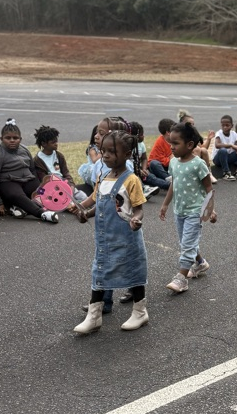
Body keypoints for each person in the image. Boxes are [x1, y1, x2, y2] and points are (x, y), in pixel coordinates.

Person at [70, 130, 149, 335]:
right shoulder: (103, 176)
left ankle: (140, 311)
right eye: (103, 150)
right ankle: (94, 316)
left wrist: (136, 219)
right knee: (99, 272)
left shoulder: (131, 180)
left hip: (127, 238)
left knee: (133, 273)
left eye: (112, 151)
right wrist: (85, 213)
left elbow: (139, 208)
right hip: (104, 240)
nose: (105, 155)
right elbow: (99, 203)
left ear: (127, 154)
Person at [159, 121, 216, 294]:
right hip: (180, 210)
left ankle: (181, 278)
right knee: (186, 242)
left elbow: (208, 188)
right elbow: (173, 185)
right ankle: (200, 263)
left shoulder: (198, 164)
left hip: (196, 211)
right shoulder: (174, 163)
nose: (172, 147)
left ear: (190, 144)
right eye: (171, 143)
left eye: (176, 143)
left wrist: (210, 209)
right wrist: (165, 204)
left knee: (187, 245)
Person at [0, 119, 59, 223]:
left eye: (15, 138)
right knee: (17, 196)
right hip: (9, 183)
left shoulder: (24, 149)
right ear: (1, 139)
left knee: (42, 192)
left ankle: (20, 208)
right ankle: (42, 213)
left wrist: (38, 185)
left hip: (27, 179)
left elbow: (32, 169)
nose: (12, 140)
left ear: (20, 139)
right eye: (8, 138)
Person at [213, 114, 237, 179]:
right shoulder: (219, 133)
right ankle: (226, 173)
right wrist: (232, 145)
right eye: (223, 125)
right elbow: (217, 145)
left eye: (227, 125)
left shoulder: (233, 134)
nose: (225, 127)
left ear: (232, 126)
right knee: (223, 150)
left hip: (228, 158)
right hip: (218, 159)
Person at [148, 118, 175, 188]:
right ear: (168, 133)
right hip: (160, 168)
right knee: (154, 163)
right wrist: (171, 159)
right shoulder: (160, 142)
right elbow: (159, 160)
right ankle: (170, 180)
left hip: (169, 166)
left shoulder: (176, 140)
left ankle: (168, 181)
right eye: (174, 131)